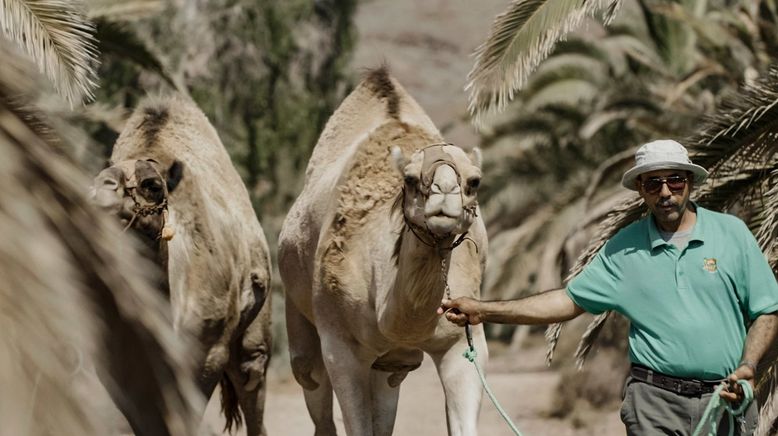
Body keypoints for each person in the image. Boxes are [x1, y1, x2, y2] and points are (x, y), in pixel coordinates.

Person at [438, 139, 778, 435]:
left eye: (674, 180)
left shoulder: (731, 234)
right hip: (653, 404)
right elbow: (568, 302)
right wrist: (484, 310)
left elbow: (766, 309)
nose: (665, 192)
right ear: (641, 190)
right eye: (653, 184)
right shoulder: (623, 248)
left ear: (689, 182)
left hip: (725, 399)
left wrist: (748, 367)